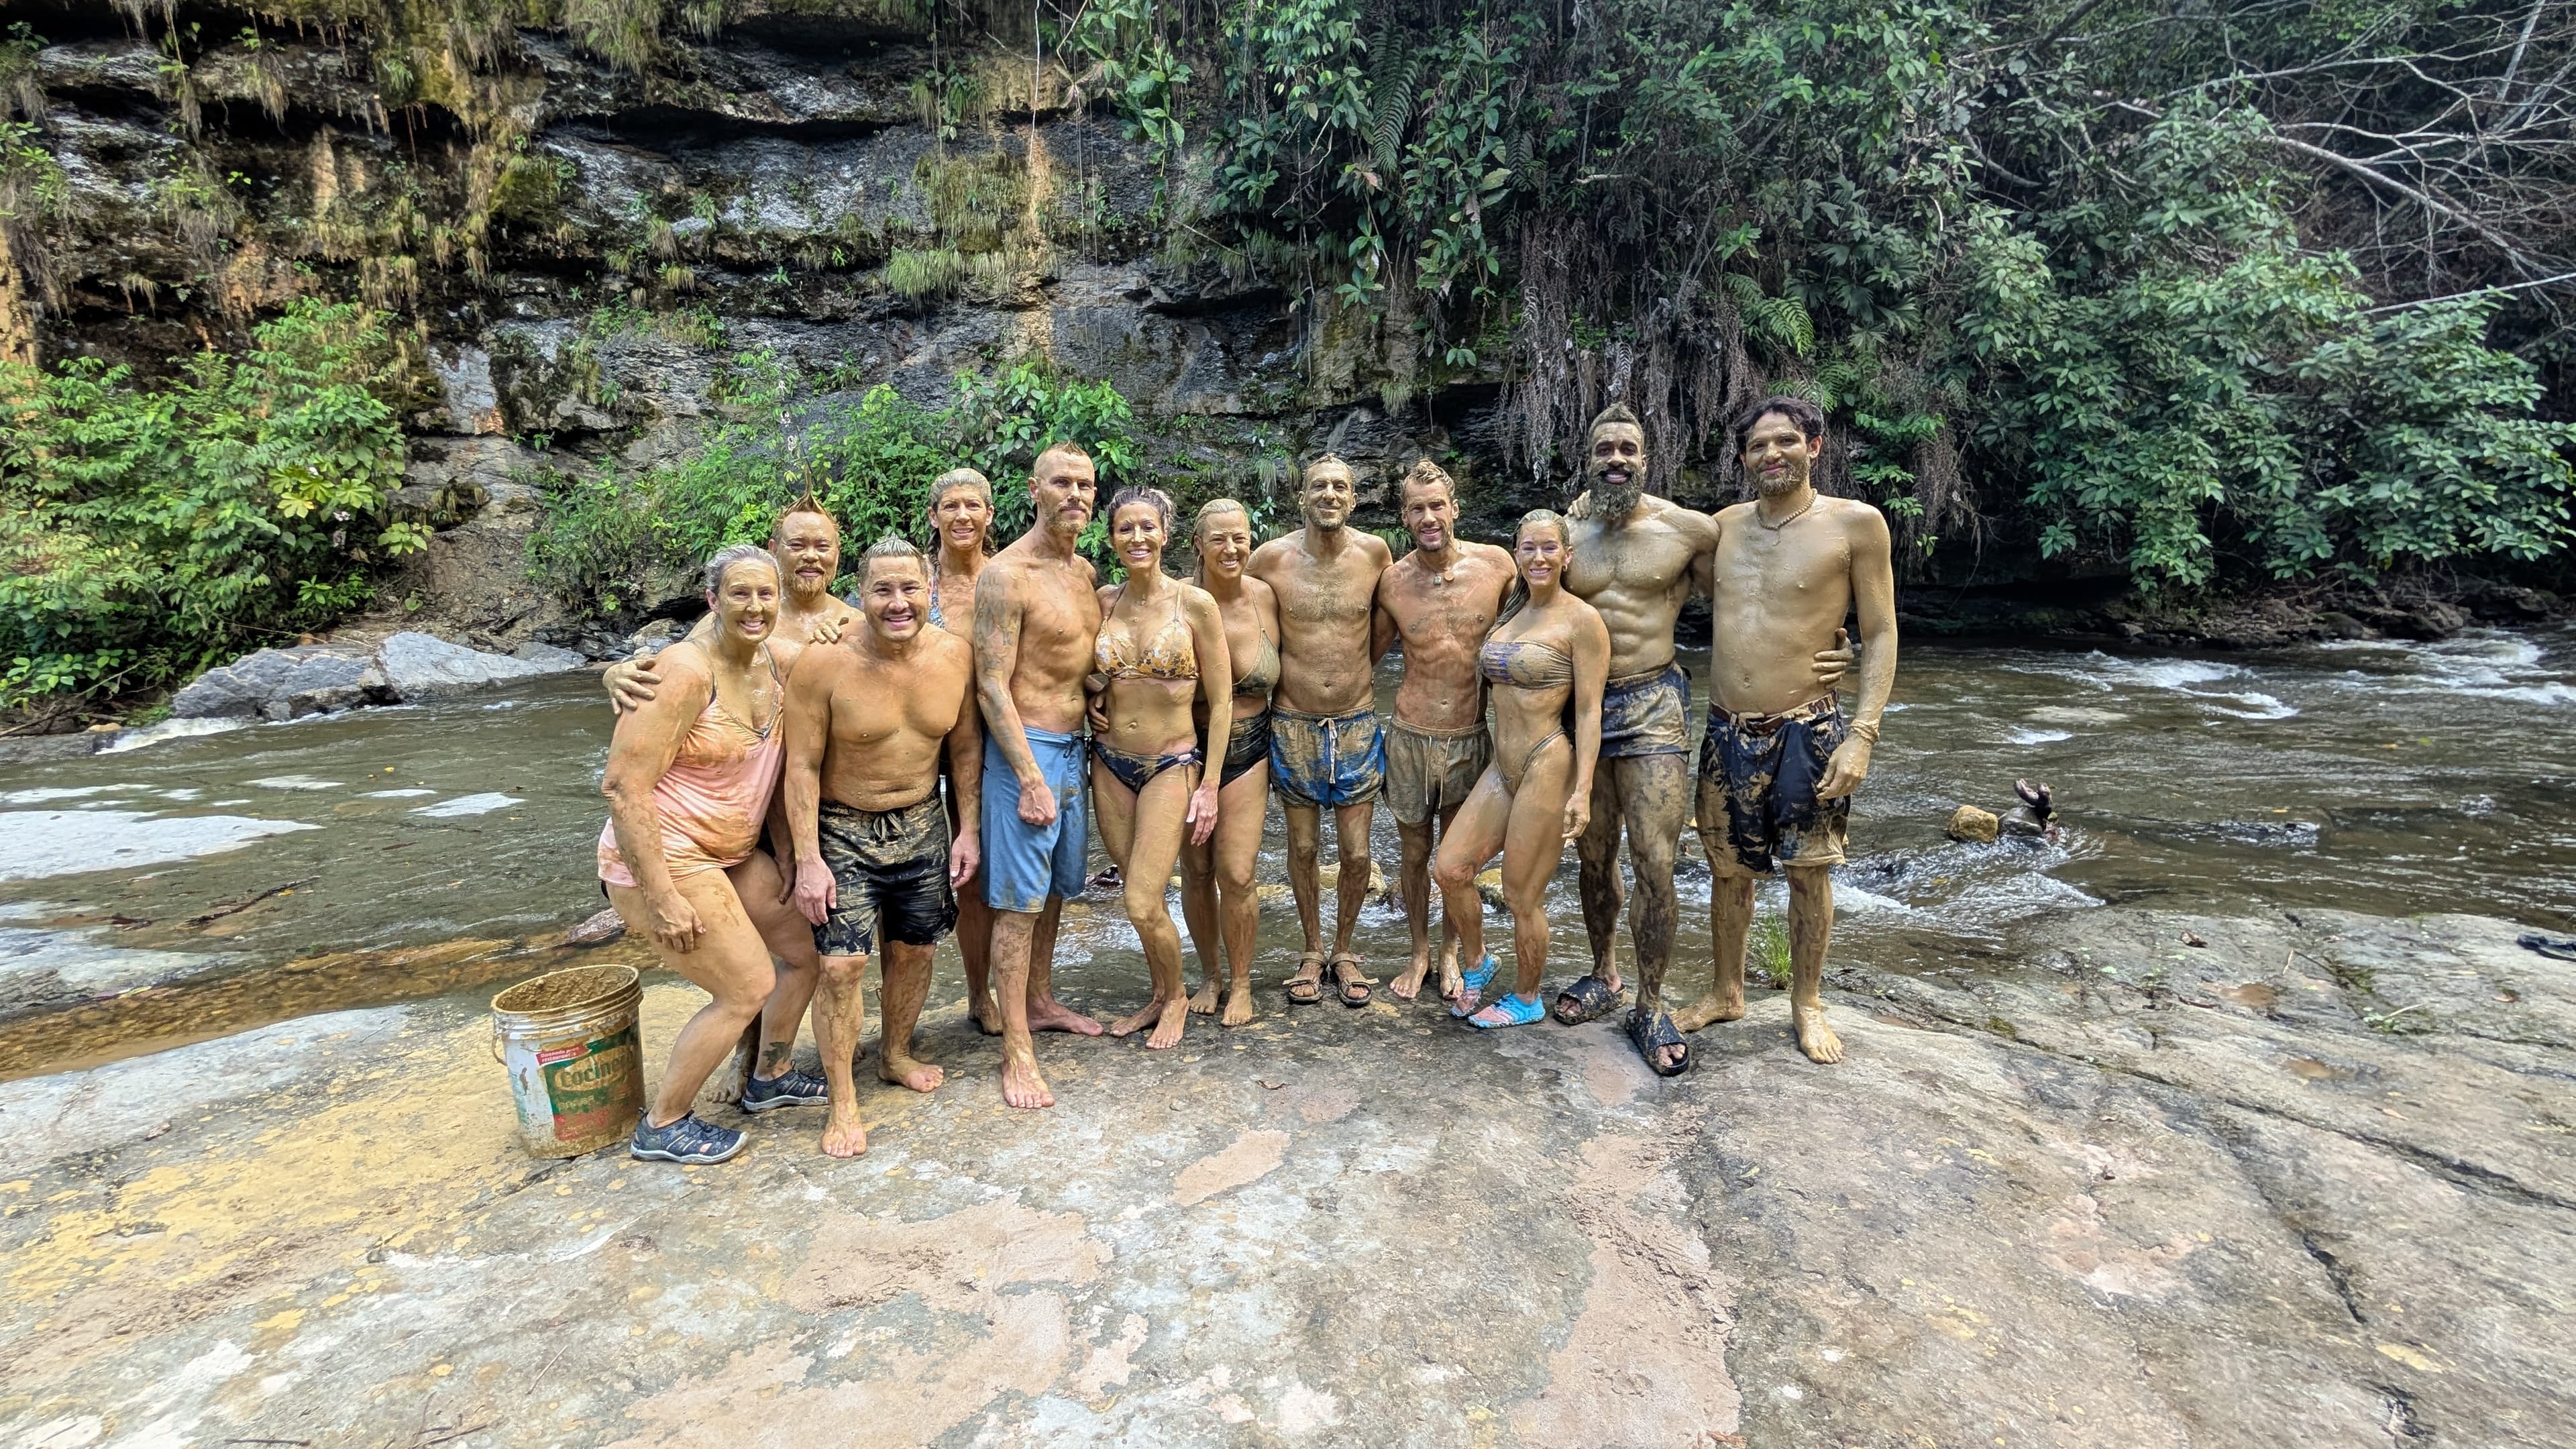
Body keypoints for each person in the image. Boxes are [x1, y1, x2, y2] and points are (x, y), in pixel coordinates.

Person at [1559, 404, 1853, 1075]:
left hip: (1653, 702)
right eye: (1603, 447)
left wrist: (1842, 648)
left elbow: (1772, 590)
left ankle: (1652, 1001)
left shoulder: (1689, 531)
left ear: (1646, 457)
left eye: (1627, 448)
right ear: (1587, 457)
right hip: (1578, 706)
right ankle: (1605, 974)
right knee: (1593, 851)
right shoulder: (1565, 532)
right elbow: (1532, 604)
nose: (1615, 458)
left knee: (1655, 859)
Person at [599, 496, 858, 1101]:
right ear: (712, 600)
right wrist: (662, 895)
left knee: (808, 951)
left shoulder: (777, 658)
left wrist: (846, 623)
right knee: (746, 985)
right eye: (740, 595)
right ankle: (664, 1121)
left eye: (766, 596)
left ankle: (769, 1076)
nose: (756, 607)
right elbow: (621, 785)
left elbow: (882, 639)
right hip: (666, 857)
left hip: (732, 852)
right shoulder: (687, 669)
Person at [1681, 395, 1898, 1066]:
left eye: (1785, 441)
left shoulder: (1856, 525)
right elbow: (1651, 565)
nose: (1772, 454)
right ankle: (1727, 990)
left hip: (1811, 727)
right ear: (1743, 459)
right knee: (1728, 873)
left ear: (1814, 446)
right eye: (1758, 446)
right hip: (1725, 729)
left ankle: (1807, 1001)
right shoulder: (1721, 529)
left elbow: (1883, 632)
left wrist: (1863, 732)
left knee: (1810, 872)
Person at [780, 535, 981, 1157]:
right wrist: (809, 859)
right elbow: (802, 767)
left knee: (916, 953)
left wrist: (967, 827)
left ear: (930, 591)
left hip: (922, 822)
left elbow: (966, 749)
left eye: (910, 588)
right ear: (859, 595)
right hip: (843, 825)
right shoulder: (823, 664)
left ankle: (895, 1052)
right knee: (842, 967)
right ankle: (843, 1099)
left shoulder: (955, 657)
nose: (899, 602)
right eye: (883, 590)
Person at [972, 442, 1111, 1109]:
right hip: (1023, 751)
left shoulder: (1085, 572)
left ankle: (1041, 999)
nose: (1076, 494)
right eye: (1062, 482)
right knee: (1018, 903)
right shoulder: (1006, 574)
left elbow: (1078, 664)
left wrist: (1101, 695)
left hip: (1075, 749)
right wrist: (1027, 776)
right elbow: (992, 685)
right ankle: (1017, 1051)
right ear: (1034, 489)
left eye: (1085, 484)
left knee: (1058, 887)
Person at [1431, 512, 1609, 1028]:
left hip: (1547, 762)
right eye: (1528, 548)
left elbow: (1589, 711)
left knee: (1520, 895)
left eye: (1549, 548)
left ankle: (1528, 998)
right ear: (1517, 554)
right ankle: (1479, 961)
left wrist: (1583, 791)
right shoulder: (1511, 616)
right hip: (1501, 767)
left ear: (1566, 556)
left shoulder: (1581, 621)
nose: (1538, 558)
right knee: (1451, 869)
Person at [1084, 487, 1232, 1051]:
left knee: (1142, 900)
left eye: (1148, 527)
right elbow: (1072, 665)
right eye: (1125, 529)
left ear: (1167, 534)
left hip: (1172, 764)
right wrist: (1092, 688)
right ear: (1112, 537)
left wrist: (1211, 786)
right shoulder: (1102, 602)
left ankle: (1176, 999)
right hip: (1111, 763)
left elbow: (1220, 702)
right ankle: (1158, 990)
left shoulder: (1195, 605)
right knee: (1139, 899)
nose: (1137, 538)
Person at [1248, 455, 1395, 1008]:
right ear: (1302, 496)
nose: (1329, 494)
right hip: (1292, 724)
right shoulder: (1272, 559)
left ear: (1354, 499)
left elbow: (1384, 625)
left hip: (1357, 722)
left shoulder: (1376, 553)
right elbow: (1229, 612)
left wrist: (1352, 676)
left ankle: (1345, 949)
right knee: (1304, 847)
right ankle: (1312, 949)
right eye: (1319, 486)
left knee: (1358, 856)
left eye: (1340, 487)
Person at [1371, 460, 1517, 1002]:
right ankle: (1418, 951)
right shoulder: (1392, 582)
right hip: (1409, 733)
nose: (1429, 516)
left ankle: (1453, 952)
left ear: (1455, 508)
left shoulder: (1498, 568)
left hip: (1470, 733)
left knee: (1456, 858)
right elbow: (1362, 656)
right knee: (1413, 854)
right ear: (1404, 516)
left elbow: (1538, 628)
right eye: (1417, 508)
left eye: (1438, 505)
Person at [1177, 498, 1282, 1029]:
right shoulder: (1175, 602)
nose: (1231, 548)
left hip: (1250, 746)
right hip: (1183, 749)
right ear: (1197, 544)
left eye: (1239, 537)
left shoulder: (1266, 597)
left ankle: (1241, 983)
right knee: (1196, 871)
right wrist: (1097, 693)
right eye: (1218, 539)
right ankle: (1210, 974)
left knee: (1237, 873)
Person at [921, 468, 1005, 1038]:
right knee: (933, 876)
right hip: (926, 744)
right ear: (933, 517)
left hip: (995, 742)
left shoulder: (1007, 578)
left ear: (990, 515)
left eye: (973, 506)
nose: (962, 517)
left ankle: (985, 993)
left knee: (985, 874)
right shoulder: (913, 585)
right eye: (950, 506)